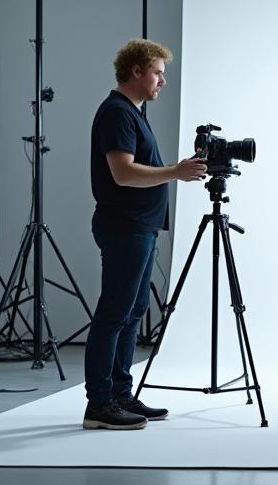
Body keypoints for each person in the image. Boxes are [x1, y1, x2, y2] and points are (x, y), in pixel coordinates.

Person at [83, 39, 206, 430]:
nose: (162, 81)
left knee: (133, 312)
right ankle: (99, 404)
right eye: (158, 72)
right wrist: (176, 171)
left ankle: (120, 394)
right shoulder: (117, 113)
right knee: (114, 313)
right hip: (125, 227)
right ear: (136, 71)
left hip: (140, 227)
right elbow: (123, 173)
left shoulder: (132, 112)